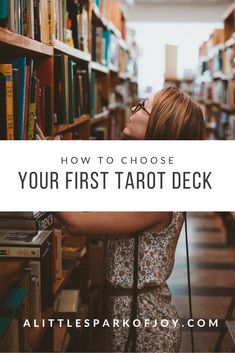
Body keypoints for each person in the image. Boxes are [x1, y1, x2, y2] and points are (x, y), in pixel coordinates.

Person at [36, 86, 205, 352]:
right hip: (127, 315)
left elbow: (77, 223)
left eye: (142, 106)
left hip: (148, 328)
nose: (133, 109)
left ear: (160, 126)